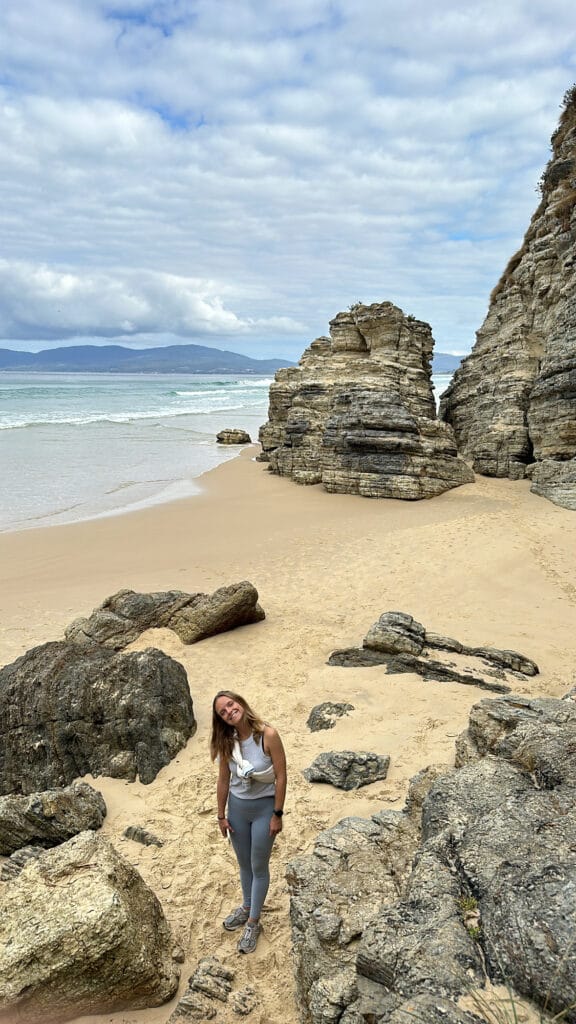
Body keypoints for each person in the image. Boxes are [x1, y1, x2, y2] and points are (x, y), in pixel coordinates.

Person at [211, 689, 287, 954]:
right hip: (238, 809)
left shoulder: (268, 735)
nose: (229, 711)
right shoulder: (227, 741)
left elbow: (281, 776)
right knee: (244, 864)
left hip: (265, 808)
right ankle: (246, 907)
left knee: (258, 865)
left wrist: (277, 814)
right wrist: (221, 815)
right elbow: (223, 779)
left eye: (231, 705)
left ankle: (254, 922)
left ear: (240, 703)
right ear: (222, 719)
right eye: (223, 712)